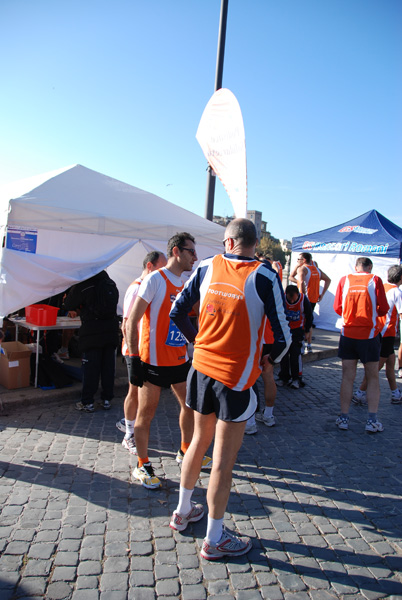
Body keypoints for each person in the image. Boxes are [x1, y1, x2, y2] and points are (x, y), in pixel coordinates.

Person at [168, 218, 291, 560]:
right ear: (255, 242)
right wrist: (269, 361)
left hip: (201, 370)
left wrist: (198, 343)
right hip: (235, 377)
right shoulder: (266, 275)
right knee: (222, 461)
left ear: (228, 241)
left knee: (197, 443)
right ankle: (215, 538)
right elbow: (285, 336)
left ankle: (182, 511)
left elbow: (177, 312)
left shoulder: (206, 266)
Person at [126, 232, 211, 489]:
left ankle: (185, 450)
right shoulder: (155, 279)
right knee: (146, 414)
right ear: (177, 251)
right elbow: (131, 321)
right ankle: (142, 464)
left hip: (178, 360)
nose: (195, 257)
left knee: (189, 407)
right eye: (191, 252)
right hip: (152, 361)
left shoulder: (185, 283)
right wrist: (133, 359)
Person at [117, 250, 167, 454]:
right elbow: (127, 323)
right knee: (134, 391)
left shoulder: (150, 285)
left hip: (144, 347)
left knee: (139, 392)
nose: (164, 271)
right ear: (150, 266)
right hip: (134, 349)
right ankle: (129, 434)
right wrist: (133, 353)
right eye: (161, 267)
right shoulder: (137, 288)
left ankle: (130, 425)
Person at [333, 256, 389, 433]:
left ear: (356, 267)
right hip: (369, 334)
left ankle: (343, 418)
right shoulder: (375, 279)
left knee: (347, 376)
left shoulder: (345, 280)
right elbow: (384, 308)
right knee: (372, 377)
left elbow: (337, 307)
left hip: (348, 333)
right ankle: (372, 420)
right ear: (369, 267)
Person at [63, 270, 120, 412]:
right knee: (108, 367)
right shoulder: (111, 283)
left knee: (91, 368)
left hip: (92, 331)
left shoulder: (85, 285)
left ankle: (87, 401)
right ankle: (107, 399)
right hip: (111, 329)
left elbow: (69, 304)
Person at [353, 265, 402, 405]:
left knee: (390, 363)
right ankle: (360, 392)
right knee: (376, 368)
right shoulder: (397, 292)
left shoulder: (383, 287)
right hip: (387, 332)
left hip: (379, 330)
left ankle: (395, 393)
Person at [290, 252, 331, 353]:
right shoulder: (316, 268)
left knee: (302, 321)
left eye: (299, 259)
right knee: (309, 321)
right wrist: (322, 294)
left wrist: (301, 296)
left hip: (304, 299)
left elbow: (301, 283)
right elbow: (328, 280)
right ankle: (308, 345)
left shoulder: (302, 269)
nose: (297, 261)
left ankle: (302, 344)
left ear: (303, 260)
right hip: (313, 299)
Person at [277, 284, 313, 389]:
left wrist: (307, 331)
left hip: (297, 331)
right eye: (289, 298)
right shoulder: (281, 299)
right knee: (283, 355)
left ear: (298, 294)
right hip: (285, 330)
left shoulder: (303, 300)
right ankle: (284, 377)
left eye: (293, 298)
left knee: (295, 355)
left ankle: (296, 378)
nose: (292, 301)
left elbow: (309, 316)